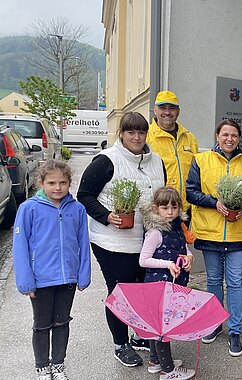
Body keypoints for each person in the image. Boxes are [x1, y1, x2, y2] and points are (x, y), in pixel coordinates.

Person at [78, 111, 166, 367]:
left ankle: (139, 335)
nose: (137, 137)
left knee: (143, 291)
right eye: (131, 132)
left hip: (146, 240)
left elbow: (160, 198)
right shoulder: (106, 160)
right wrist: (107, 216)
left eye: (141, 132)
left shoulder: (156, 161)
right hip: (112, 242)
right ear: (122, 134)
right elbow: (84, 195)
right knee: (120, 293)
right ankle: (120, 343)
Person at [186, 119, 242, 356]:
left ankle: (235, 331)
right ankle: (215, 324)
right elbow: (190, 192)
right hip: (210, 231)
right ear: (217, 136)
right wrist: (214, 202)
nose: (230, 139)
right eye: (225, 134)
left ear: (239, 139)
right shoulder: (201, 160)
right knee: (214, 281)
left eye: (234, 135)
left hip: (237, 233)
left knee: (236, 282)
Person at [13, 160, 91, 380]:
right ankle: (42, 367)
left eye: (63, 183)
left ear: (69, 183)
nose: (58, 188)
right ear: (41, 183)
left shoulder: (77, 209)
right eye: (52, 183)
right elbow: (20, 246)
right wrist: (26, 282)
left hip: (67, 279)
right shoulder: (29, 209)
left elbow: (83, 243)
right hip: (41, 280)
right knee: (41, 325)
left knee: (62, 322)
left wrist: (83, 274)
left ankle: (58, 364)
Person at [139, 186, 196, 380]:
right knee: (162, 326)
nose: (170, 212)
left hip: (174, 283)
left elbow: (184, 249)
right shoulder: (155, 232)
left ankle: (156, 360)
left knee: (162, 324)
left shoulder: (178, 227)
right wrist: (168, 264)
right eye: (165, 208)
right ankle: (168, 369)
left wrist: (189, 258)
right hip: (157, 286)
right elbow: (143, 260)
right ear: (156, 209)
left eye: (174, 207)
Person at [147, 90, 199, 213]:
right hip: (158, 210)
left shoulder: (189, 138)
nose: (167, 112)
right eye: (162, 108)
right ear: (155, 110)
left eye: (172, 108)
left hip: (184, 210)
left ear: (178, 111)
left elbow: (197, 174)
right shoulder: (147, 137)